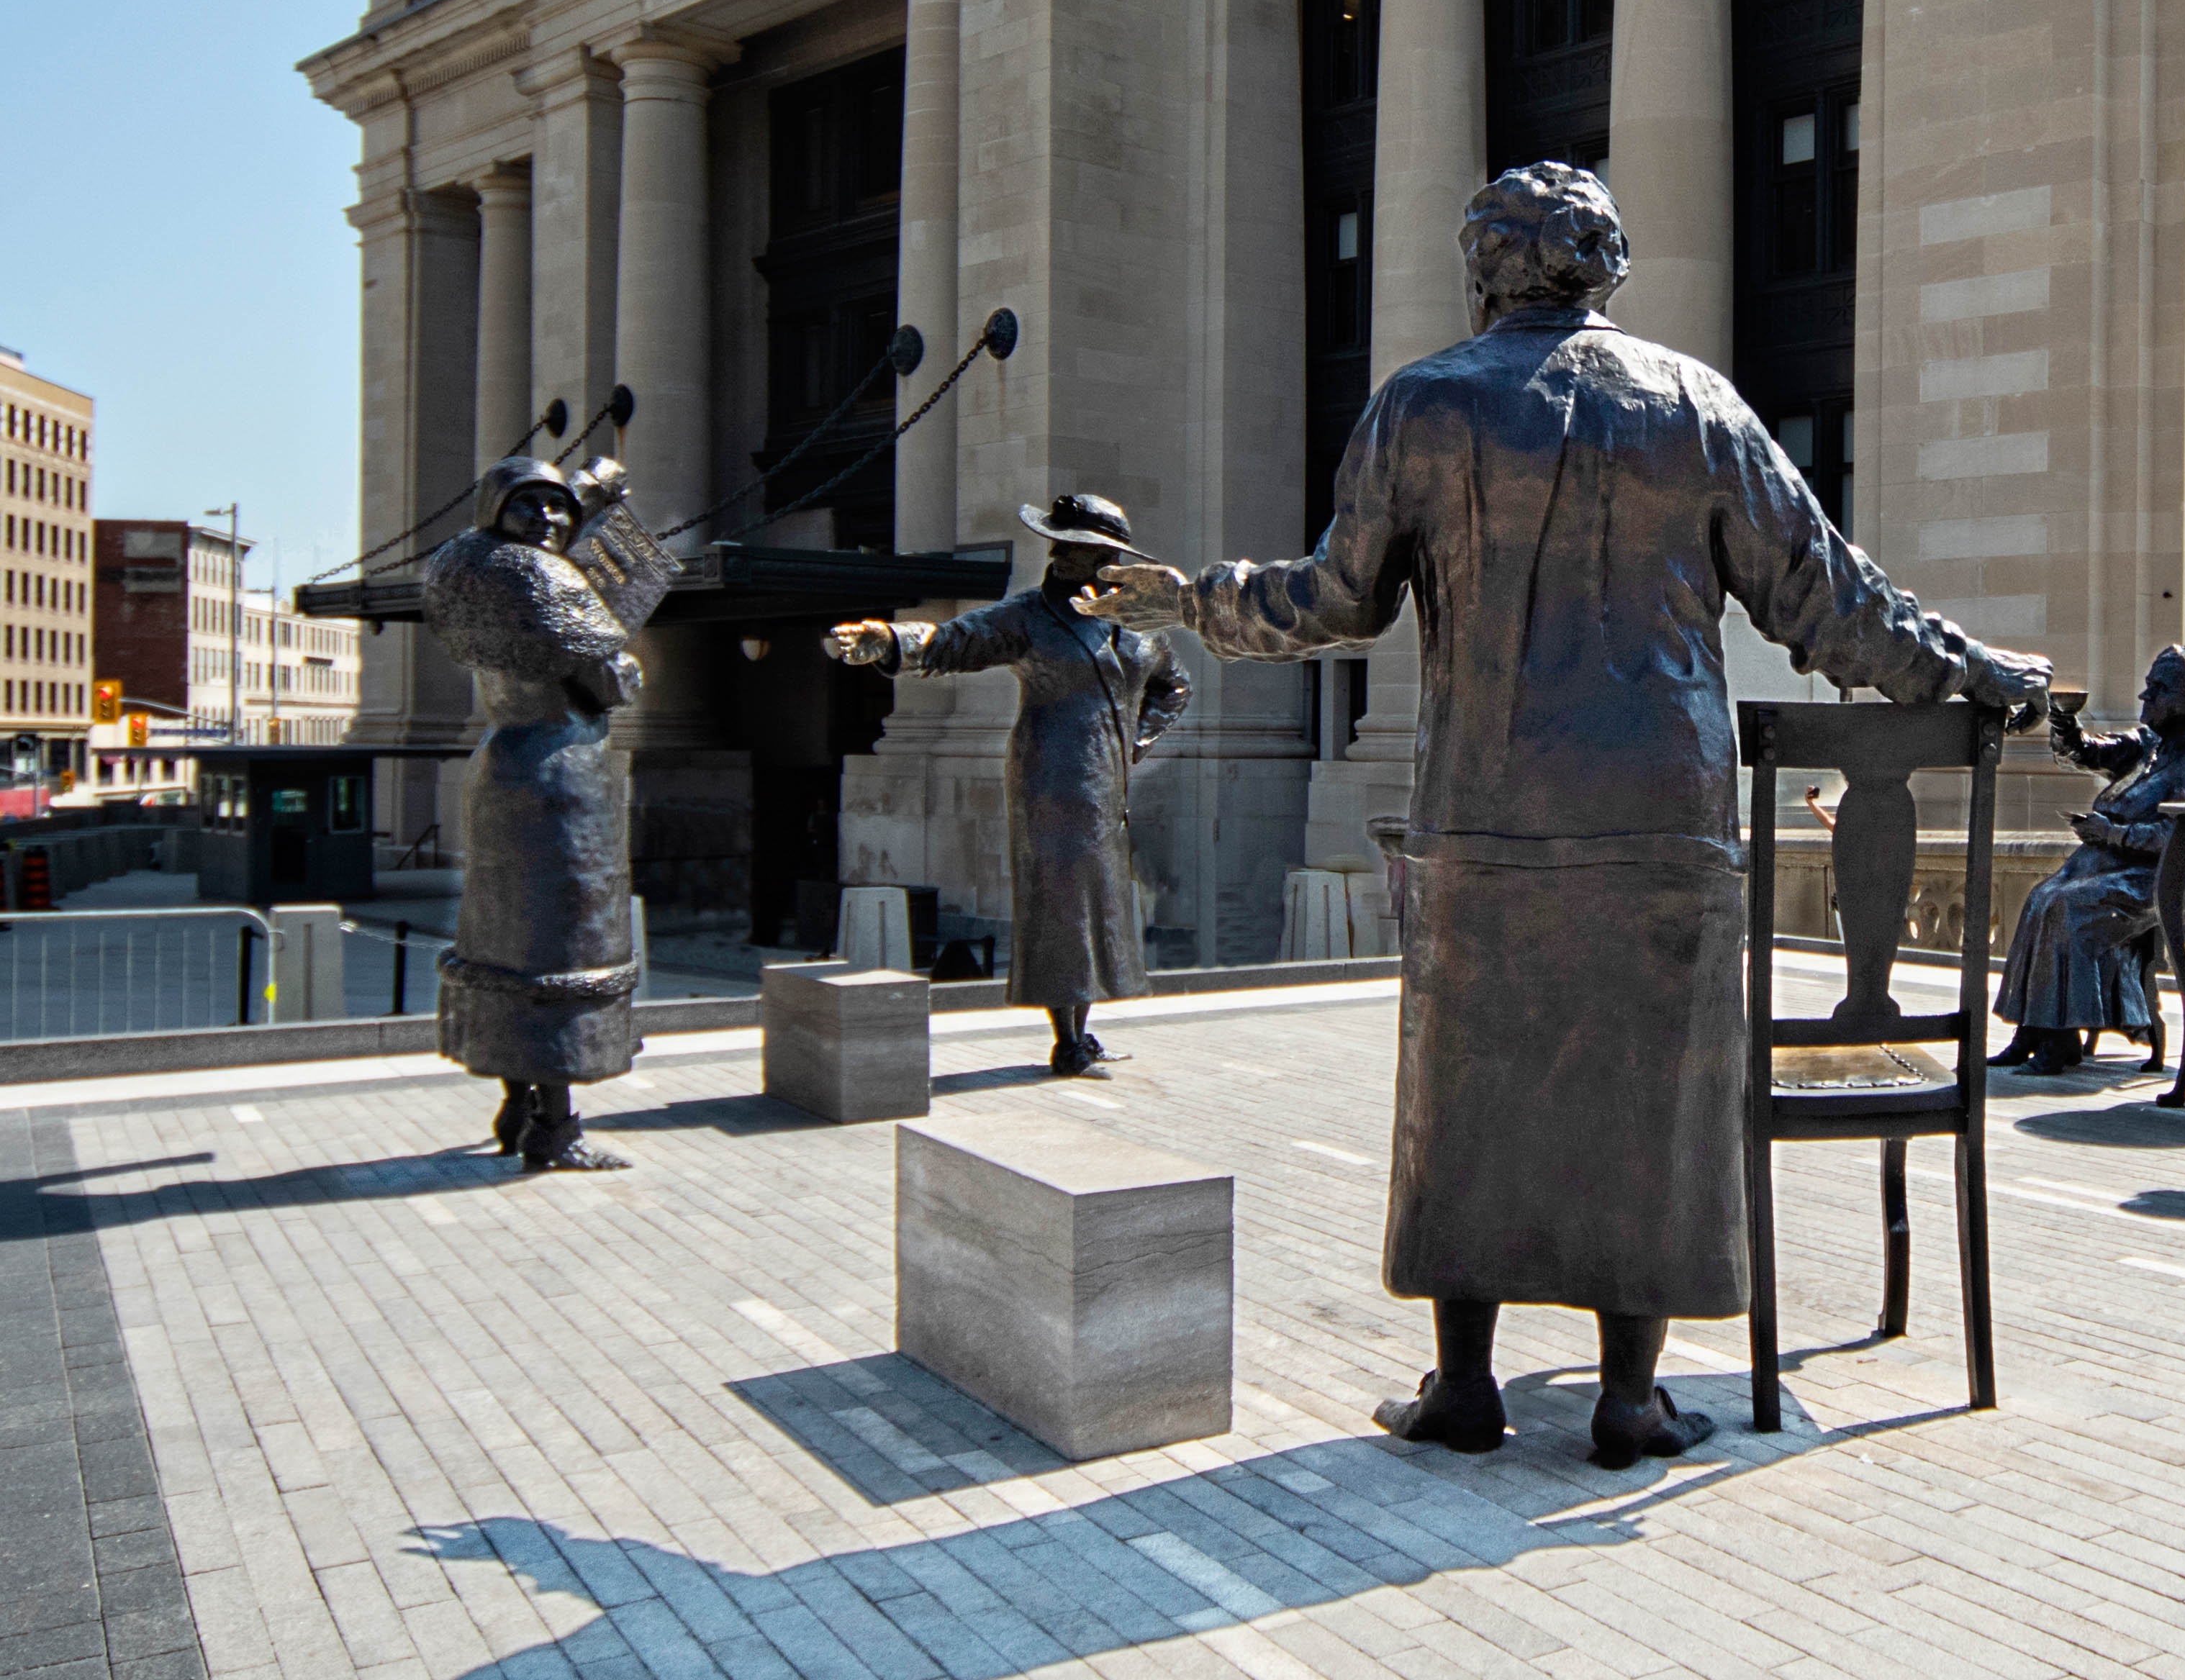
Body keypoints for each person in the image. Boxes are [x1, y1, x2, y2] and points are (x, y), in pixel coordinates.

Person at [1094, 161, 2048, 1470]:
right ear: (1604, 267)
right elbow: (1831, 602)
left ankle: (1465, 1385)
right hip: (1659, 811)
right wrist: (1979, 673)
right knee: (1651, 1096)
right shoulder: (1693, 404)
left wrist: (1190, 600)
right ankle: (1627, 1399)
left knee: (1462, 1089)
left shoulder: (1422, 404)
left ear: (1485, 265)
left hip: (1481, 811)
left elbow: (1332, 600)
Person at [829, 495, 1189, 1075]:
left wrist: (1135, 745)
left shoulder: (1138, 624)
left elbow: (1174, 687)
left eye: (1071, 544)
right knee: (1060, 905)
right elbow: (958, 638)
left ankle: (1082, 1029)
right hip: (1050, 779)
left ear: (1106, 557)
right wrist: (893, 641)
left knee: (1098, 905)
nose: (1056, 551)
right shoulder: (1029, 616)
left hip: (1106, 787)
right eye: (1058, 541)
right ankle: (1066, 1040)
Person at [423, 456, 644, 1172]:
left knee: (506, 944)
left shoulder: (471, 572)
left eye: (559, 508)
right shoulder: (545, 578)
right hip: (565, 776)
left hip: (503, 765)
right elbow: (607, 678)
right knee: (563, 951)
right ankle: (555, 1126)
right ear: (500, 510)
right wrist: (628, 667)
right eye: (532, 507)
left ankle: (515, 1103)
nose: (550, 521)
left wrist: (592, 498)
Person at [1989, 645, 2185, 1073]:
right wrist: (2064, 720)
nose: (2145, 698)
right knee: (2039, 898)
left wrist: (2113, 833)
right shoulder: (2153, 740)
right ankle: (2032, 1031)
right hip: (2120, 866)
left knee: (2068, 907)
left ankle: (2060, 1040)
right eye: (2148, 687)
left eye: (2158, 690)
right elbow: (2087, 753)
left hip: (2172, 877)